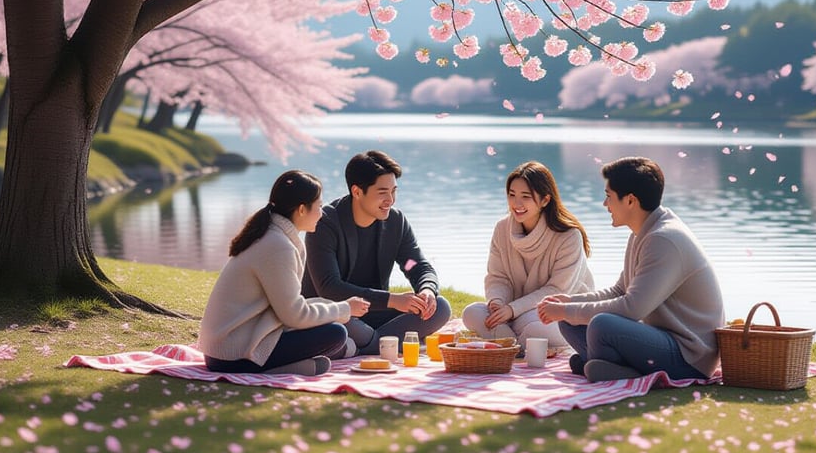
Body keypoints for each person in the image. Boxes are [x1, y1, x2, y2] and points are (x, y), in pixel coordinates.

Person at [537, 156, 725, 383]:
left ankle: (620, 370)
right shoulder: (642, 233)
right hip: (661, 341)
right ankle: (608, 367)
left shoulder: (663, 240)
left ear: (630, 201)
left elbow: (631, 308)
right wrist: (569, 303)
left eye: (608, 197)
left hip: (688, 356)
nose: (605, 205)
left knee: (601, 324)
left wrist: (569, 310)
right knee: (569, 320)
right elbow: (620, 291)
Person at [199, 170, 370, 376]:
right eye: (319, 206)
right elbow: (295, 316)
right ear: (301, 209)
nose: (322, 213)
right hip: (231, 355)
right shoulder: (278, 246)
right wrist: (344, 309)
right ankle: (276, 368)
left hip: (229, 348)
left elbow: (290, 306)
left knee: (330, 332)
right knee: (336, 333)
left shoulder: (274, 236)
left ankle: (299, 366)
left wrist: (339, 308)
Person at [302, 150, 451, 355]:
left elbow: (413, 265)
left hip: (375, 312)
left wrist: (426, 290)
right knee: (340, 327)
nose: (390, 200)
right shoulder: (326, 223)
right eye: (382, 192)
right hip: (336, 313)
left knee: (440, 308)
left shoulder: (395, 223)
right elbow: (329, 288)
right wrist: (393, 300)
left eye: (393, 191)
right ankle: (380, 343)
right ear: (357, 191)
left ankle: (365, 346)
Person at [462, 161, 594, 349]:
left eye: (526, 196)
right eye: (512, 195)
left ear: (545, 200)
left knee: (534, 328)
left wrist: (512, 310)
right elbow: (498, 277)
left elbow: (556, 291)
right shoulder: (502, 228)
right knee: (472, 313)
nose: (517, 203)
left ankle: (506, 343)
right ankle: (515, 346)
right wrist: (497, 303)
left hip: (555, 312)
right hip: (514, 311)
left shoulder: (569, 236)